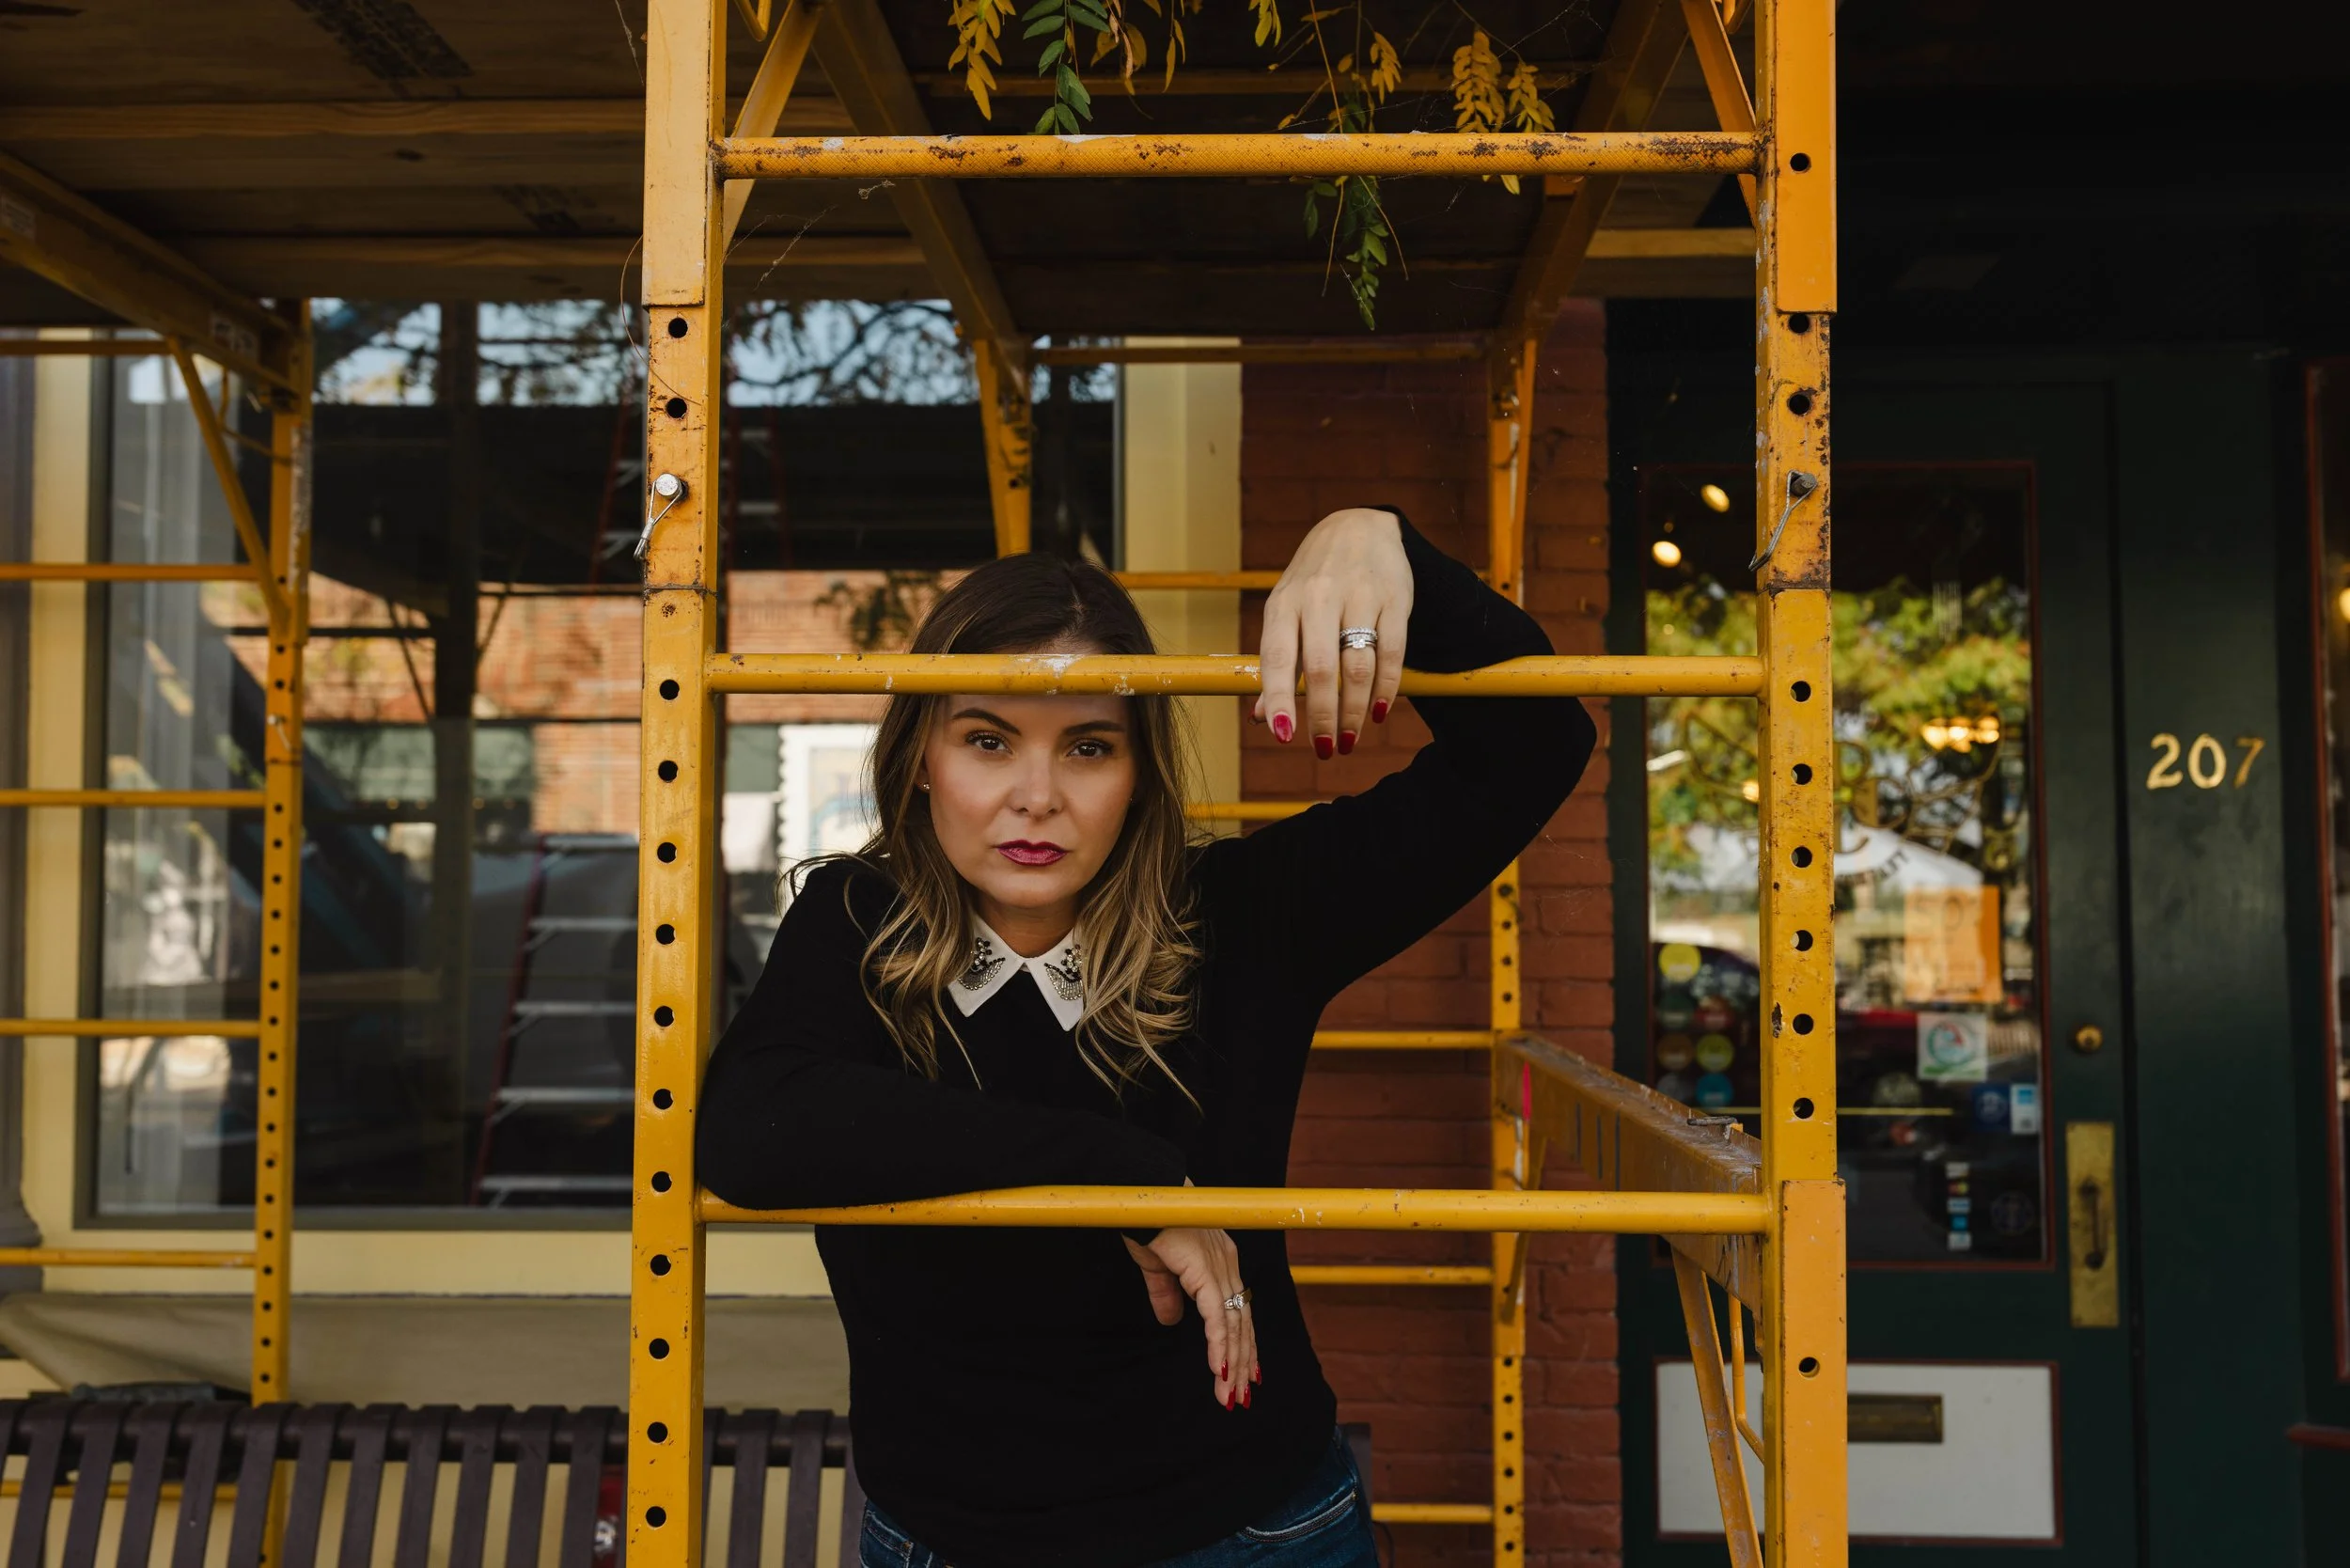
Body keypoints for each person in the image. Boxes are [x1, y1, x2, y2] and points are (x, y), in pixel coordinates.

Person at [698, 505, 1597, 1568]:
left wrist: (1374, 538)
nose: (1035, 799)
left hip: (1253, 1533)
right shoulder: (857, 920)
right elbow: (748, 1134)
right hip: (946, 1542)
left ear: (1140, 773)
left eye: (1088, 747)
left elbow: (1537, 743)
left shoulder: (1243, 916)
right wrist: (1125, 1181)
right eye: (988, 739)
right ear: (920, 759)